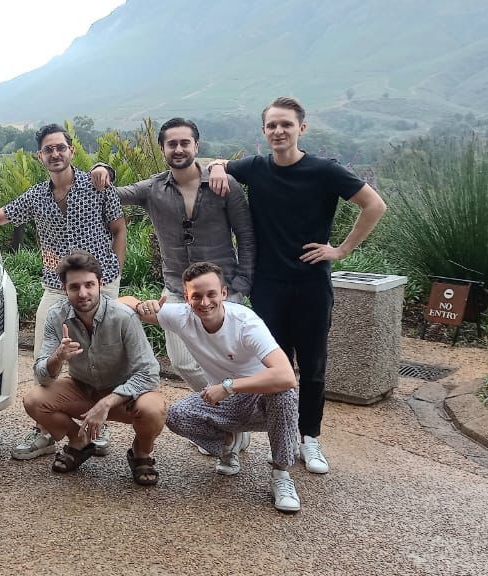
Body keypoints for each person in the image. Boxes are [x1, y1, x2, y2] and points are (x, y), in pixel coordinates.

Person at [207, 97, 387, 475]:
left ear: (301, 128)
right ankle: (283, 437)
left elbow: (374, 205)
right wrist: (219, 166)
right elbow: (216, 165)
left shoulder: (325, 171)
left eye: (286, 124)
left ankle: (310, 438)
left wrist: (339, 250)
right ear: (263, 131)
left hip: (311, 283)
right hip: (268, 284)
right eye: (272, 125)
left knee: (313, 365)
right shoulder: (255, 168)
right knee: (275, 365)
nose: (278, 131)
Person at [0, 124, 127, 460]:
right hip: (56, 285)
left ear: (71, 150)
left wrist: (115, 274)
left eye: (60, 147)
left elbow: (118, 228)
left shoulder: (98, 185)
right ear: (40, 156)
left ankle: (98, 423)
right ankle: (46, 428)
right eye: (48, 149)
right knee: (44, 353)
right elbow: (0, 215)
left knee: (100, 357)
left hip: (101, 284)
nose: (55, 154)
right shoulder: (37, 196)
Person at [89, 117, 255, 395]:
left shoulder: (224, 185)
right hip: (177, 289)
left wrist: (241, 285)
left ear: (196, 146)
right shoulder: (152, 189)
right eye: (172, 144)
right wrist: (103, 168)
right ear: (163, 148)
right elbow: (110, 195)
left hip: (222, 290)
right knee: (183, 363)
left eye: (184, 143)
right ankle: (228, 415)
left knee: (223, 360)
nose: (178, 149)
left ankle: (223, 425)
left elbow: (247, 237)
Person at [120, 262, 301, 512]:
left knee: (284, 394)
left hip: (260, 398)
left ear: (223, 293)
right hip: (226, 401)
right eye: (197, 296)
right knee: (176, 415)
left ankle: (281, 475)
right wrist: (141, 305)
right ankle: (228, 444)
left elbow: (286, 376)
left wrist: (228, 386)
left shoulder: (245, 323)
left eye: (211, 294)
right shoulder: (182, 316)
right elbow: (121, 301)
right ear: (187, 297)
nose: (204, 302)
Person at [23, 251, 167, 485]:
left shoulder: (123, 317)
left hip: (123, 395)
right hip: (82, 388)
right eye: (75, 287)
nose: (82, 293)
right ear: (64, 288)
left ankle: (142, 452)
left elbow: (149, 373)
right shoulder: (56, 316)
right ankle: (78, 441)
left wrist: (107, 402)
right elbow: (42, 375)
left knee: (153, 409)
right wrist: (57, 357)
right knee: (34, 400)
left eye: (89, 285)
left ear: (100, 284)